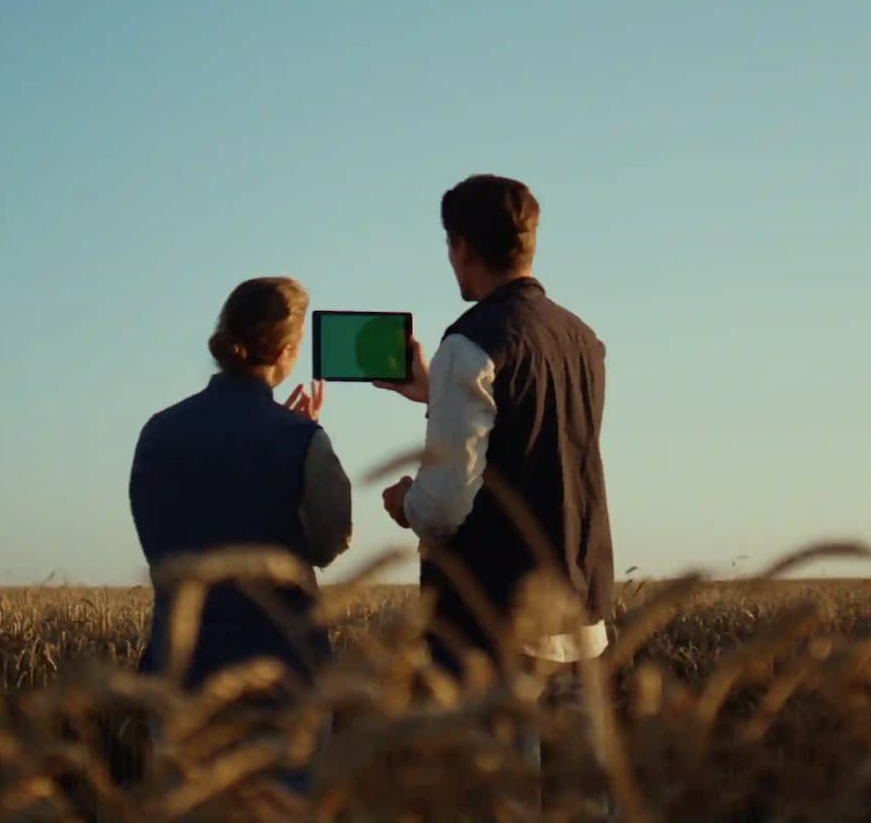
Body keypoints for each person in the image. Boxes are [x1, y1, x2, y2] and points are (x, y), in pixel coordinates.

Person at [375, 174, 615, 683]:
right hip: (580, 613)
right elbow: (535, 432)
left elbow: (441, 509)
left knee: (496, 765)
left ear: (461, 246)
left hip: (494, 623)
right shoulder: (582, 340)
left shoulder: (469, 343)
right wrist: (433, 392)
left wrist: (404, 505)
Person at [129, 275, 353, 698]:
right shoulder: (303, 441)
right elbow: (329, 544)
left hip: (177, 673)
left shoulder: (157, 432)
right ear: (286, 352)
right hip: (282, 675)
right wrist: (304, 440)